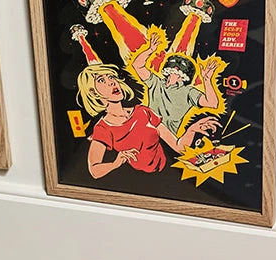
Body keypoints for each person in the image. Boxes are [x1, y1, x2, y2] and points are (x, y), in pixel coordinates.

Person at [75, 63, 219, 179]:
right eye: (101, 80)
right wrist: (115, 163)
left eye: (111, 77)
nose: (112, 83)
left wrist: (192, 129)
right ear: (93, 92)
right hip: (137, 182)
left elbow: (179, 146)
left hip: (168, 176)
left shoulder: (143, 111)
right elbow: (94, 170)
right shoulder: (103, 128)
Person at [129, 28, 222, 136]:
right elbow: (137, 65)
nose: (176, 68)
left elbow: (212, 103)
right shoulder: (156, 83)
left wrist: (207, 80)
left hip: (166, 138)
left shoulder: (188, 92)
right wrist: (150, 50)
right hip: (144, 131)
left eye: (180, 67)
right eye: (174, 65)